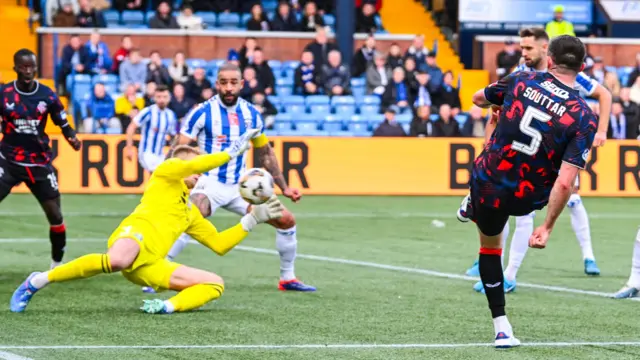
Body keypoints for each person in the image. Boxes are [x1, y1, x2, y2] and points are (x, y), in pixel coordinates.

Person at [10, 138, 286, 314]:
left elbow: (219, 245)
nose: (200, 173)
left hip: (150, 264)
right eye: (194, 167)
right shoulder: (165, 175)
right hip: (134, 235)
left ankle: (164, 307)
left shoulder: (189, 212)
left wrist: (252, 219)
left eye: (201, 170)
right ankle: (37, 281)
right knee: (118, 259)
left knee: (215, 284)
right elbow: (199, 162)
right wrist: (227, 154)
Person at [460, 35, 597, 347]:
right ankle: (475, 204)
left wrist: (498, 104)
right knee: (529, 208)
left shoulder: (522, 80)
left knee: (490, 247)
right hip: (528, 196)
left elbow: (476, 98)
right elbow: (565, 182)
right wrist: (547, 227)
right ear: (582, 67)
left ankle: (501, 327)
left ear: (549, 59)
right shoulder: (584, 116)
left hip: (490, 184)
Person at [153, 62, 316, 294]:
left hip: (243, 186)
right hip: (208, 183)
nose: (228, 87)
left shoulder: (251, 114)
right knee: (190, 216)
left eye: (233, 82)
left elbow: (265, 152)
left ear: (241, 84)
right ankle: (159, 272)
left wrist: (284, 187)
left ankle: (287, 278)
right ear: (217, 84)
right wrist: (165, 179)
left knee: (286, 220)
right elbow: (178, 148)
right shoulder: (202, 111)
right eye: (223, 82)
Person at [0, 49, 82, 269]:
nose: (28, 71)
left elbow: (62, 121)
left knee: (55, 215)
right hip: (8, 160)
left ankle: (56, 264)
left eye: (32, 67)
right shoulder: (4, 93)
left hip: (38, 162)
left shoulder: (47, 95)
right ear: (15, 67)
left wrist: (72, 137)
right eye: (24, 66)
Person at [125, 85, 178, 173]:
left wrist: (174, 152)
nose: (162, 100)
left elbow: (173, 136)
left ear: (169, 98)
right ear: (154, 98)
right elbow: (131, 128)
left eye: (164, 97)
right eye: (159, 97)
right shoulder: (148, 111)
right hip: (146, 153)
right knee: (159, 174)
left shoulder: (171, 115)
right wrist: (129, 148)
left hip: (160, 154)